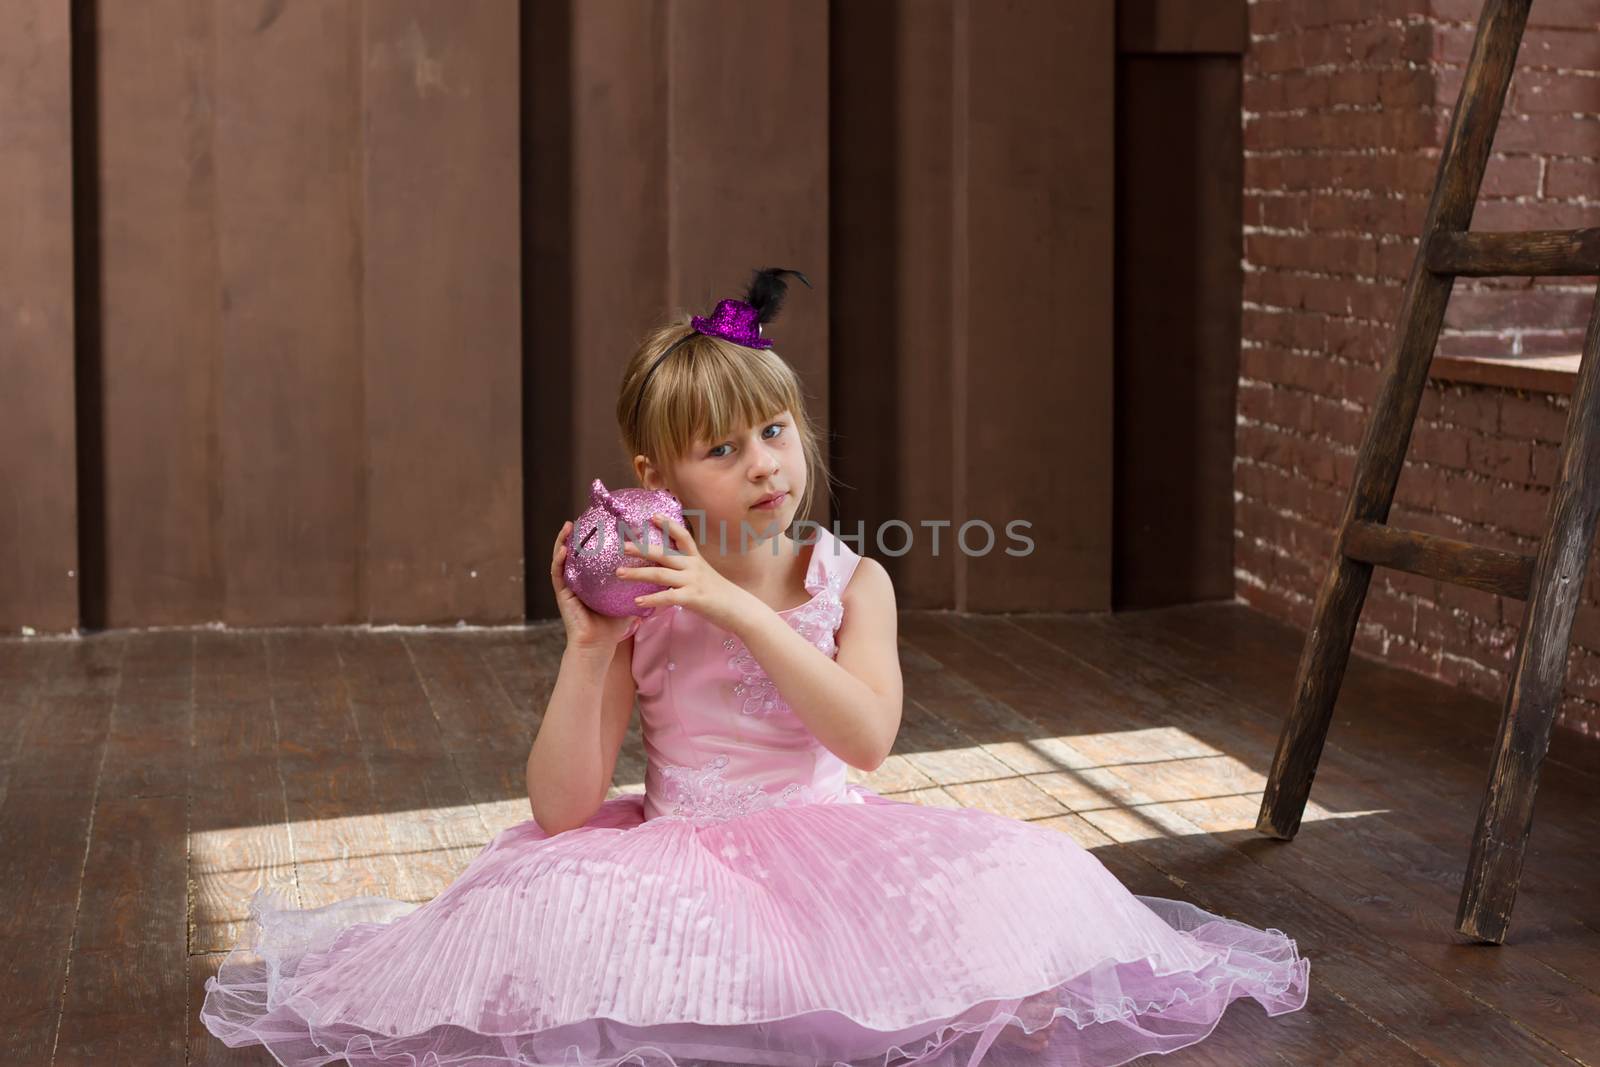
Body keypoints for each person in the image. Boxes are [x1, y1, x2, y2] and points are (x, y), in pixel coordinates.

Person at [200, 267, 1310, 1066]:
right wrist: (589, 649)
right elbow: (560, 804)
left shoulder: (850, 580)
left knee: (1019, 883)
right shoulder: (646, 602)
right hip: (679, 845)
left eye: (774, 430)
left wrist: (745, 607)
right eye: (721, 449)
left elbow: (865, 738)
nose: (763, 464)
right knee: (587, 922)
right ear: (657, 473)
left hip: (829, 839)